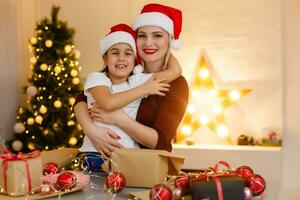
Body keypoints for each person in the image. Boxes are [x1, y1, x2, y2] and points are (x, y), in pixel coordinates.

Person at [74, 3, 189, 159]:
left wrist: (120, 119)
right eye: (142, 35)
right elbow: (83, 98)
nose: (148, 43)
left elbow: (160, 142)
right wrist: (90, 130)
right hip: (102, 161)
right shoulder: (124, 69)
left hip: (145, 168)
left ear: (169, 40)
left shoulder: (176, 84)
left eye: (158, 35)